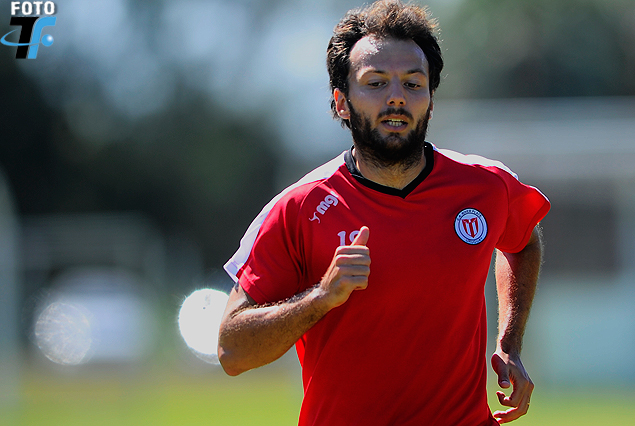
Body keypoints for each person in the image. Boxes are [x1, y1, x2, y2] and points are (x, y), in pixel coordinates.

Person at [218, 1, 550, 425]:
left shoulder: (487, 186)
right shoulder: (299, 209)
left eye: (413, 83)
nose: (396, 97)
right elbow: (232, 351)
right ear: (341, 102)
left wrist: (510, 342)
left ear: (431, 100)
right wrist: (321, 297)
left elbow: (523, 242)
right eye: (375, 83)